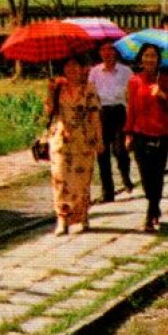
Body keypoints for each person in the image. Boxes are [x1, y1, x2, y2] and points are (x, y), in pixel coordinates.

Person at [124, 43, 168, 232]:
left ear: (158, 60)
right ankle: (153, 204)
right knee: (146, 177)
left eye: (153, 56)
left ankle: (151, 211)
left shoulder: (166, 80)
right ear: (141, 59)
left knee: (158, 176)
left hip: (161, 134)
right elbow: (131, 109)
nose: (149, 59)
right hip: (140, 134)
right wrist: (128, 133)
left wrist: (163, 95)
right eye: (146, 56)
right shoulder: (134, 81)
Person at [47, 55, 103, 235]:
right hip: (61, 139)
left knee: (81, 182)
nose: (71, 70)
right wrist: (49, 91)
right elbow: (48, 111)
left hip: (83, 139)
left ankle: (82, 215)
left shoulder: (89, 88)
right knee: (60, 180)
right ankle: (62, 219)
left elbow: (95, 115)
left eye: (75, 66)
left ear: (81, 68)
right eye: (68, 66)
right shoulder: (57, 88)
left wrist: (99, 139)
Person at [90, 41, 134, 202]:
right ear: (100, 52)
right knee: (102, 153)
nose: (107, 53)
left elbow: (131, 95)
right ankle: (107, 191)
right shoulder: (94, 72)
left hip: (119, 112)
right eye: (103, 50)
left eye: (110, 49)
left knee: (120, 150)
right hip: (101, 113)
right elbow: (90, 93)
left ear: (116, 52)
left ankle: (125, 175)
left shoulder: (126, 71)